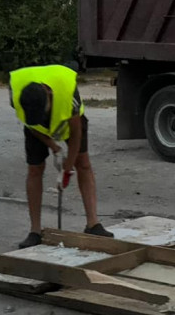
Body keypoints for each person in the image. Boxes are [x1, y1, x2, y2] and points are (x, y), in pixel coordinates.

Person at [8, 65, 113, 248]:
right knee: (35, 169)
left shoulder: (67, 90)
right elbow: (31, 125)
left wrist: (67, 168)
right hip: (36, 131)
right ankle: (35, 231)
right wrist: (55, 148)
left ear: (48, 94)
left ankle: (93, 224)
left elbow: (76, 133)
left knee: (83, 163)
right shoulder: (17, 93)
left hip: (71, 123)